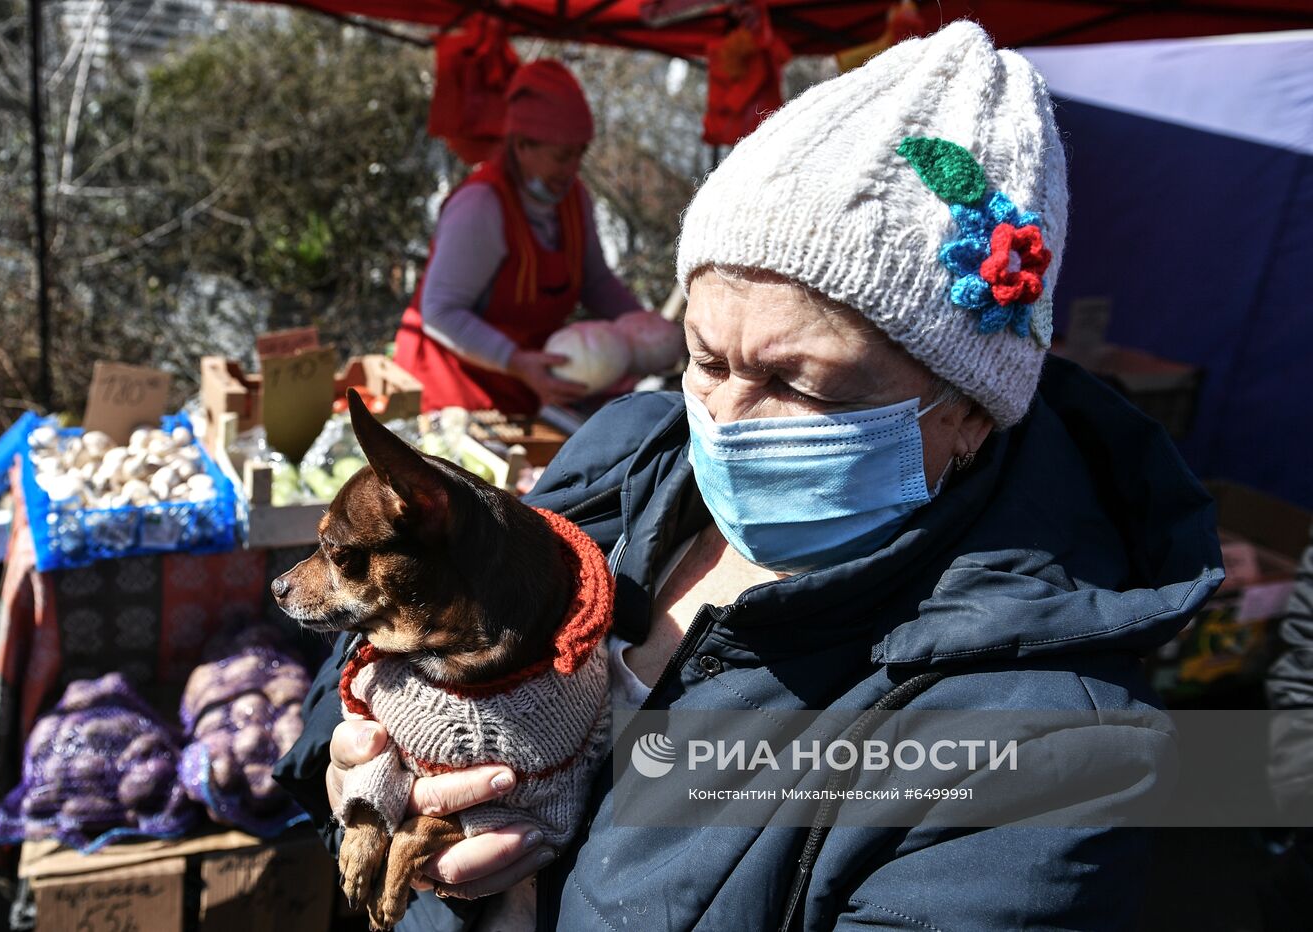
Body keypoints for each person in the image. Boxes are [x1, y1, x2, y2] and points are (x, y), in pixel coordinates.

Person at [276, 21, 1224, 929]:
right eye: (704, 355)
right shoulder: (626, 456)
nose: (724, 418)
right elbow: (382, 637)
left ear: (969, 411)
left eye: (795, 381)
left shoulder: (1044, 749)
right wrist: (352, 764)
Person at [394, 60, 644, 415]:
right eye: (561, 156)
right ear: (522, 145)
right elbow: (440, 311)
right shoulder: (481, 206)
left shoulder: (576, 201)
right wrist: (514, 361)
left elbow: (595, 281)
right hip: (449, 393)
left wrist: (646, 332)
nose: (572, 169)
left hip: (520, 387)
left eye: (579, 154)